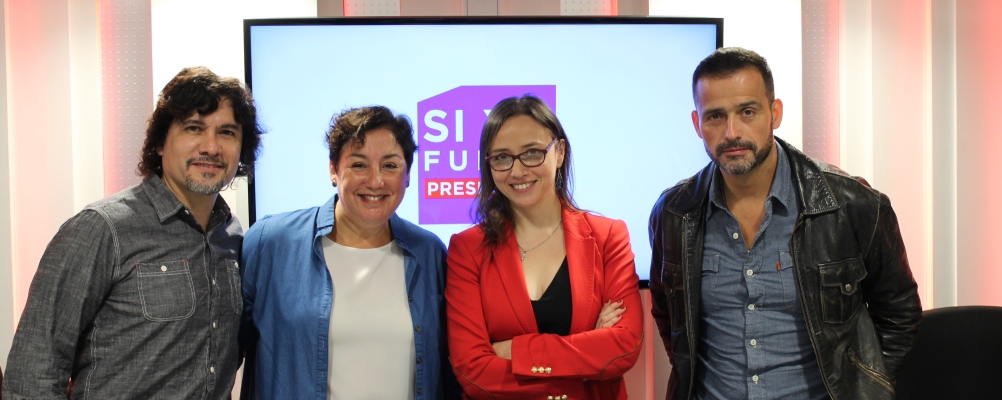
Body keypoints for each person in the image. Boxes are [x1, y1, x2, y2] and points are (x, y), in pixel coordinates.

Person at [648, 47, 923, 400]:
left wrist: (865, 390)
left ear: (775, 113)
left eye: (748, 112)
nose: (732, 132)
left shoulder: (852, 205)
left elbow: (900, 314)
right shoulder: (675, 214)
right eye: (715, 116)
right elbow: (669, 316)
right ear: (696, 124)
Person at [3, 66, 262, 399]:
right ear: (160, 143)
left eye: (227, 132)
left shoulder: (233, 236)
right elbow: (34, 371)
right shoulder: (102, 228)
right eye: (194, 128)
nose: (211, 147)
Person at [240, 106, 460, 399]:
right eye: (359, 165)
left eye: (390, 165)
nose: (375, 181)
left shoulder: (429, 253)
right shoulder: (270, 243)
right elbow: (226, 350)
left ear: (408, 175)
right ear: (333, 170)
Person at [446, 95, 644, 399]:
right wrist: (585, 355)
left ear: (560, 152)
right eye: (502, 157)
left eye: (532, 153)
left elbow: (623, 347)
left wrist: (516, 351)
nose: (517, 171)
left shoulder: (607, 237)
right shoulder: (468, 249)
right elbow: (472, 371)